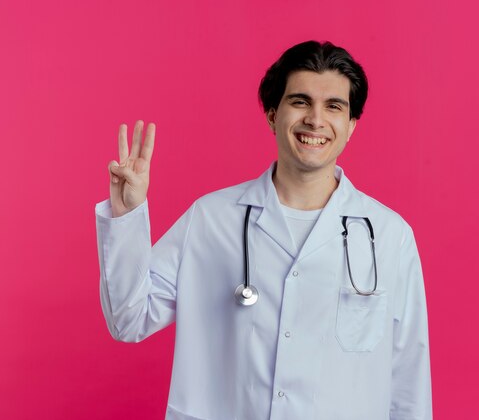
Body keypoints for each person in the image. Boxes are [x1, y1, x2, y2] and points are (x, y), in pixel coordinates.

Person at [95, 41, 432, 420]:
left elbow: (408, 380)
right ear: (273, 115)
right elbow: (128, 318)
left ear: (351, 125)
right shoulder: (211, 220)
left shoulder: (388, 236)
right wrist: (127, 214)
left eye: (334, 106)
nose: (316, 120)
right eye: (300, 101)